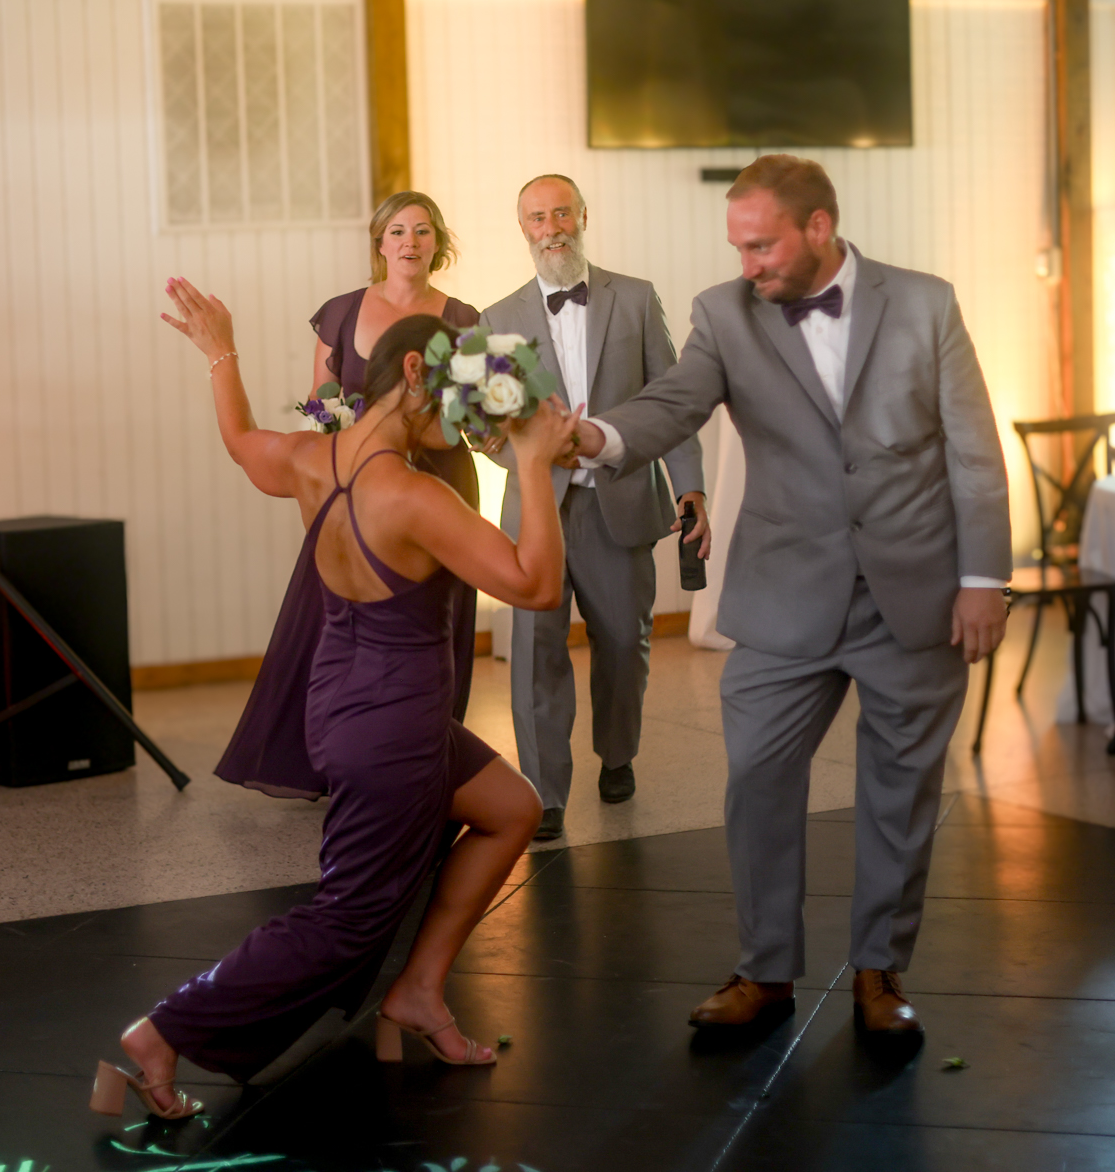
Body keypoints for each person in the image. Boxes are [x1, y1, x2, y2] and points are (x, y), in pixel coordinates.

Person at [93, 280, 572, 1121]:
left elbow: (241, 442)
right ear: (415, 372)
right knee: (346, 918)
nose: (459, 425)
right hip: (394, 725)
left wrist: (220, 353)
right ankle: (164, 1031)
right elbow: (535, 585)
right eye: (453, 402)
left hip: (343, 702)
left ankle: (417, 991)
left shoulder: (312, 460)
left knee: (511, 808)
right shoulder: (415, 496)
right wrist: (532, 461)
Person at [568, 154, 1010, 1041]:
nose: (747, 264)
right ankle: (765, 970)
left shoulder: (926, 303)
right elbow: (672, 404)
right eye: (738, 247)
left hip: (914, 593)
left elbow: (973, 449)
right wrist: (594, 435)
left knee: (900, 792)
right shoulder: (723, 312)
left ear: (819, 227)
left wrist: (982, 579)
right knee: (759, 779)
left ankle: (880, 970)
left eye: (761, 245)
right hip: (783, 593)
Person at [212, 192, 483, 802]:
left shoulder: (465, 318)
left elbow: (459, 418)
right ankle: (326, 757)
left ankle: (421, 756)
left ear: (438, 244)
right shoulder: (341, 312)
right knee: (330, 614)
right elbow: (322, 401)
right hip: (354, 481)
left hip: (439, 479)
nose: (409, 241)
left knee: (429, 622)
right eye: (397, 231)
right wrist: (339, 447)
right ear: (380, 242)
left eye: (422, 231)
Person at [482, 174, 708, 841]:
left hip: (623, 499)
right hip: (538, 515)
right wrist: (519, 452)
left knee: (623, 645)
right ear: (522, 228)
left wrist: (690, 486)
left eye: (561, 213)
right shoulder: (496, 319)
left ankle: (618, 754)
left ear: (583, 216)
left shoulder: (635, 298)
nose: (551, 227)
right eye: (537, 217)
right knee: (535, 652)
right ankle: (544, 790)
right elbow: (486, 430)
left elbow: (672, 402)